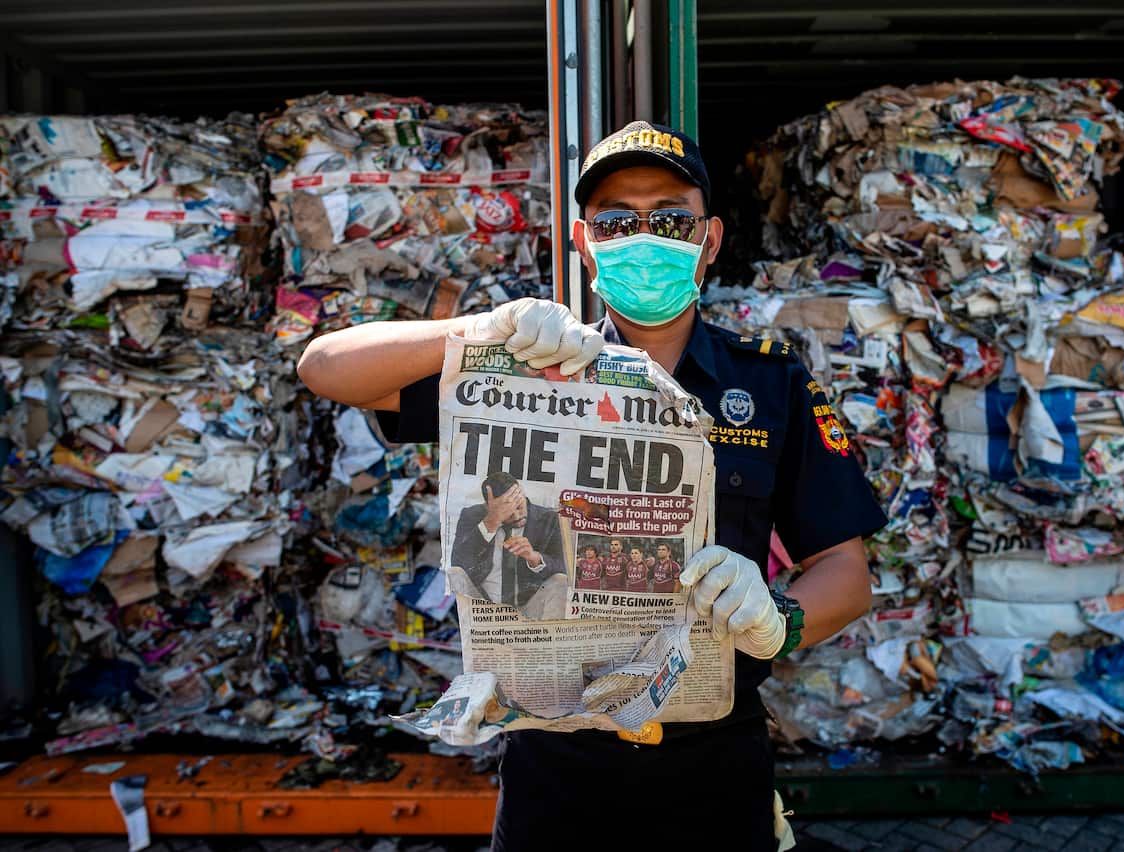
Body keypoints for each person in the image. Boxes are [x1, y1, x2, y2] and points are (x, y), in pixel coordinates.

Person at [296, 119, 887, 852]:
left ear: (708, 239)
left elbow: (846, 571)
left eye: (670, 217)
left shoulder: (768, 381)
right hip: (555, 766)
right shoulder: (522, 368)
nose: (644, 237)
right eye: (616, 220)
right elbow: (325, 368)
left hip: (713, 762)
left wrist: (778, 619)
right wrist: (484, 329)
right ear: (584, 243)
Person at [449, 471, 565, 610]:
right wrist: (491, 522)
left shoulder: (550, 519)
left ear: (522, 494)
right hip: (484, 605)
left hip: (531, 606)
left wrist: (534, 558)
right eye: (507, 511)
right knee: (454, 572)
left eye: (519, 506)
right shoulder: (472, 515)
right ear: (489, 506)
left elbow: (564, 569)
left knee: (561, 580)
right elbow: (459, 564)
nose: (516, 516)